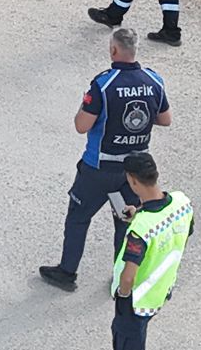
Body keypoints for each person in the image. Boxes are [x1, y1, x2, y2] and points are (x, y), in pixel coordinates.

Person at [40, 28, 171, 292]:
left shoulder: (103, 84)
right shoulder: (154, 81)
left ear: (113, 50)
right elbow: (164, 119)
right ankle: (122, 274)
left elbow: (81, 125)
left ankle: (67, 272)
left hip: (98, 169)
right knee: (125, 220)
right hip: (132, 174)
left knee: (79, 217)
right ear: (135, 50)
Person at [90, 152, 194, 350]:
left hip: (136, 300)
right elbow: (184, 230)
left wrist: (122, 296)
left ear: (133, 181)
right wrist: (139, 212)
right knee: (121, 337)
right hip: (161, 289)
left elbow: (128, 277)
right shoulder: (181, 202)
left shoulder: (140, 231)